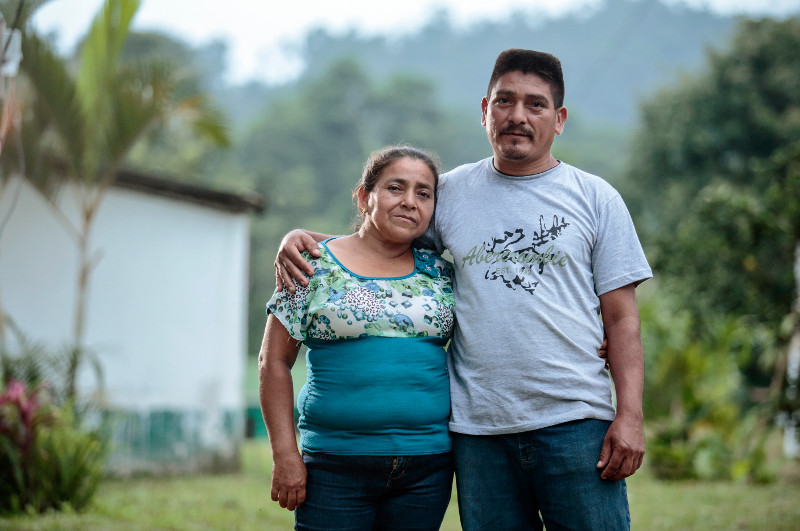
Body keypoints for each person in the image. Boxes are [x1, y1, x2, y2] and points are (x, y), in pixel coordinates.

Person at [276, 49, 651, 530]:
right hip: (478, 433)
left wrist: (631, 416)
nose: (517, 116)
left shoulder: (596, 198)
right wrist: (306, 241)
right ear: (484, 110)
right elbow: (382, 239)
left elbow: (622, 318)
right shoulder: (449, 193)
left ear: (558, 120)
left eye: (535, 105)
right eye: (505, 101)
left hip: (576, 423)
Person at [258, 145, 457, 530]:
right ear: (365, 196)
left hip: (427, 465)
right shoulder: (310, 265)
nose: (410, 202)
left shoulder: (440, 271)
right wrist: (284, 454)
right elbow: (273, 363)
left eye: (423, 193)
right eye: (396, 188)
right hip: (334, 465)